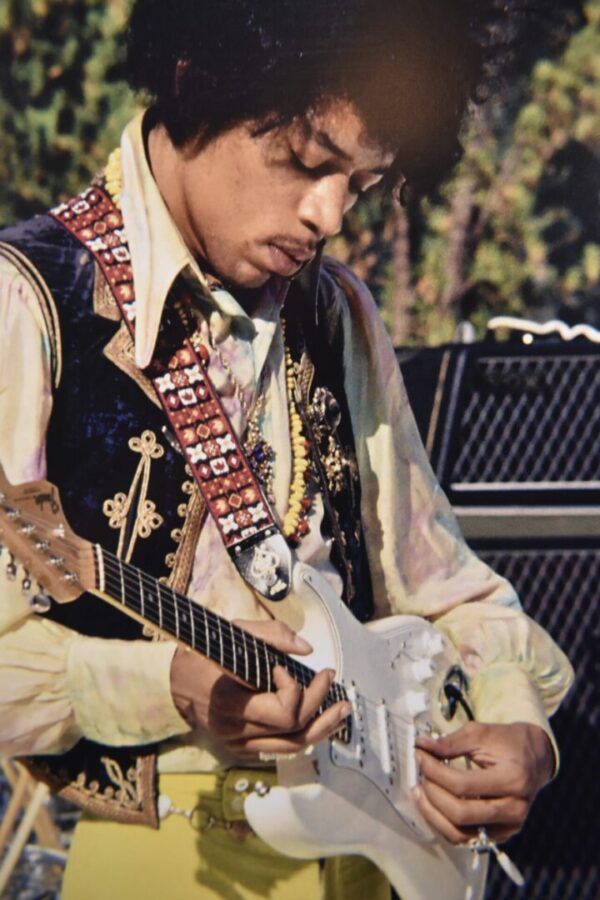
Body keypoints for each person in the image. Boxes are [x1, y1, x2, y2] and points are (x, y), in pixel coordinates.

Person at [0, 1, 573, 898]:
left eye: (364, 183)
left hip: (383, 854)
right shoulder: (26, 301)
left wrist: (517, 721)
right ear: (197, 82)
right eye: (307, 163)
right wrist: (167, 685)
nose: (330, 216)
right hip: (170, 864)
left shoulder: (335, 310)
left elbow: (449, 588)